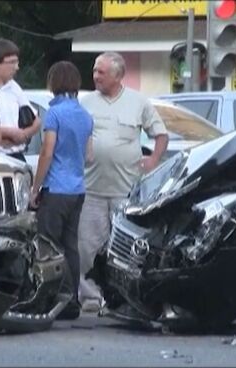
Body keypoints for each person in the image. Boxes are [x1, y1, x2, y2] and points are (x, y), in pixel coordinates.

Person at [77, 52, 168, 309]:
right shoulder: (86, 103)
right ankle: (90, 297)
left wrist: (153, 160)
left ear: (118, 75)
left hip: (126, 192)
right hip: (92, 189)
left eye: (101, 72)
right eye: (94, 71)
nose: (95, 76)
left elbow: (160, 135)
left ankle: (123, 298)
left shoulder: (138, 102)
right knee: (87, 246)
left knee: (125, 249)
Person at [30, 61, 93, 320]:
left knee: (48, 245)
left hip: (56, 188)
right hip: (78, 189)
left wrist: (36, 188)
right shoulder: (85, 115)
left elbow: (47, 151)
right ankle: (72, 301)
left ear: (53, 83)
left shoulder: (53, 114)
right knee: (70, 246)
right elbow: (89, 155)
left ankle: (49, 298)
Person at [0, 38, 41, 162]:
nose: (17, 67)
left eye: (17, 62)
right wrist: (8, 133)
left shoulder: (14, 87)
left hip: (16, 156)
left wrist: (24, 134)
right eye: (12, 62)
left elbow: (36, 121)